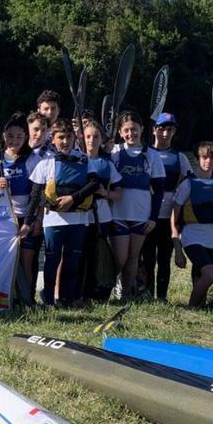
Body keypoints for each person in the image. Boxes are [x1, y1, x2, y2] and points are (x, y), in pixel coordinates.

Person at [24, 122, 109, 306]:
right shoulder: (45, 164)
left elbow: (94, 184)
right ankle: (48, 300)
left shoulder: (85, 160)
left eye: (68, 137)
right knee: (51, 262)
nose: (65, 141)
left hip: (77, 221)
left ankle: (66, 298)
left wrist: (72, 198)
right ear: (53, 140)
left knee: (72, 263)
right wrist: (27, 222)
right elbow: (35, 195)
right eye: (60, 137)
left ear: (74, 139)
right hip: (53, 222)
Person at [108, 112, 165, 300]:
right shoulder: (114, 152)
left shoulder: (152, 156)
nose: (130, 133)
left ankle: (126, 295)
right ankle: (108, 288)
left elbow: (158, 191)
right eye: (126, 130)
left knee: (133, 258)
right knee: (120, 259)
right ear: (120, 132)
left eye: (134, 129)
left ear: (141, 129)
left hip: (141, 215)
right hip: (118, 213)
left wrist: (153, 218)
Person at [0, 114, 41, 304]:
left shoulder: (32, 159)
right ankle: (9, 298)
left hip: (26, 217)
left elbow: (37, 193)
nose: (14, 140)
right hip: (4, 219)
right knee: (8, 262)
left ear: (25, 137)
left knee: (26, 260)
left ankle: (27, 300)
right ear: (3, 137)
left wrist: (33, 220)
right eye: (10, 136)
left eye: (19, 136)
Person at [172, 142, 213, 307]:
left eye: (212, 158)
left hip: (211, 238)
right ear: (197, 159)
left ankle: (199, 308)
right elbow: (174, 217)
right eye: (204, 157)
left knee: (200, 276)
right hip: (191, 237)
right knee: (209, 273)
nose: (208, 161)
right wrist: (177, 246)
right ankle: (190, 307)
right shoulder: (187, 184)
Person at [140, 112, 190, 302]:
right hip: (148, 214)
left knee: (164, 259)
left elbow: (188, 186)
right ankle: (146, 294)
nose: (165, 133)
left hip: (169, 217)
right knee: (147, 259)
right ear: (154, 130)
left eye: (169, 129)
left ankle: (161, 297)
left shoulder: (180, 158)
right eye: (161, 128)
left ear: (174, 131)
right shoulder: (145, 154)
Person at [80, 120, 122, 302]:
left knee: (99, 256)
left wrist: (106, 193)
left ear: (101, 139)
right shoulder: (77, 160)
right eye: (88, 136)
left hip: (103, 217)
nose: (91, 140)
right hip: (81, 217)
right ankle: (82, 293)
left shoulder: (107, 164)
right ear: (82, 139)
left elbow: (119, 193)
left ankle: (100, 292)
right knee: (83, 256)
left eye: (95, 137)